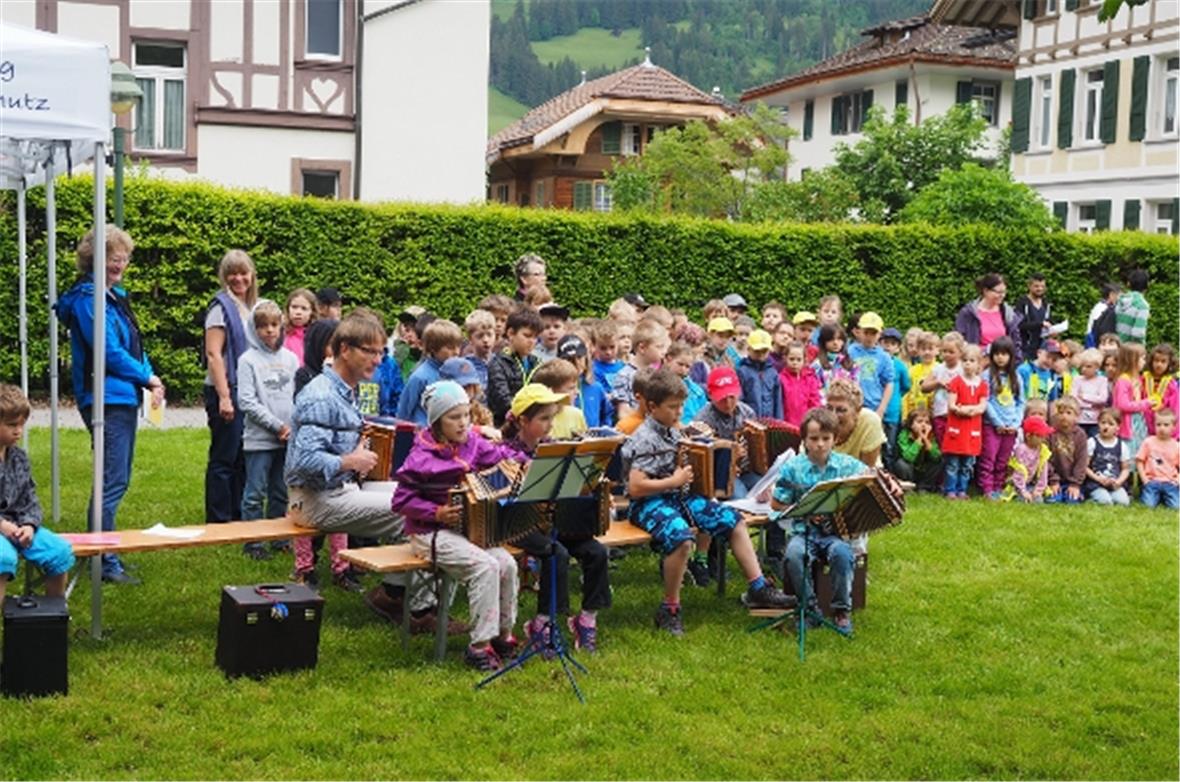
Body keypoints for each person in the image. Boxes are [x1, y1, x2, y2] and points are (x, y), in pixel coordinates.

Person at [285, 313, 440, 633]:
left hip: (341, 490)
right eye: (370, 351)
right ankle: (419, 610)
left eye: (381, 351)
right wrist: (350, 461)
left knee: (419, 496)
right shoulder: (321, 395)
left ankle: (393, 593)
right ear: (344, 349)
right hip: (312, 501)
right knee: (418, 512)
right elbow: (302, 463)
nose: (378, 359)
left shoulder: (345, 389)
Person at [622, 369, 794, 636]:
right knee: (681, 537)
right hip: (648, 503)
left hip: (679, 497)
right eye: (673, 407)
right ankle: (670, 608)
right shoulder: (645, 438)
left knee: (732, 520)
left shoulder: (674, 430)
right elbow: (634, 487)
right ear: (652, 407)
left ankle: (758, 588)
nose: (679, 412)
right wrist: (674, 480)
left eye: (681, 406)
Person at [56, 224, 164, 584]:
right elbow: (108, 353)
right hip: (104, 398)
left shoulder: (114, 297)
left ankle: (104, 554)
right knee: (111, 481)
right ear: (93, 258)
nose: (120, 263)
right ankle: (103, 560)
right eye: (113, 257)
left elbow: (134, 345)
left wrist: (152, 376)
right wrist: (145, 377)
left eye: (124, 257)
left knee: (115, 478)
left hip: (122, 395)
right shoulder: (89, 300)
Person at [390, 381, 522, 670]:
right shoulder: (421, 457)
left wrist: (528, 463)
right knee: (484, 567)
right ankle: (478, 647)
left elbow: (504, 457)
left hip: (469, 529)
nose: (463, 423)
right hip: (429, 532)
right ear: (437, 421)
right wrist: (436, 512)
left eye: (466, 415)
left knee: (507, 564)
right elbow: (400, 501)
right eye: (454, 417)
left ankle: (503, 636)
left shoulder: (473, 444)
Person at [500, 384, 611, 653]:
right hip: (517, 524)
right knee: (555, 553)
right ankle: (543, 623)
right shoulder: (505, 453)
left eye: (553, 417)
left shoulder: (555, 450)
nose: (551, 425)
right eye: (544, 418)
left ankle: (586, 619)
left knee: (596, 551)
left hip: (554, 522)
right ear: (523, 421)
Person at [771, 408, 871, 633]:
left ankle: (841, 610)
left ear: (835, 439)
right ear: (804, 440)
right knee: (793, 555)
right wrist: (802, 510)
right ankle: (810, 607)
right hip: (802, 531)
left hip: (835, 533)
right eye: (813, 439)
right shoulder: (792, 468)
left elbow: (871, 476)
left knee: (843, 555)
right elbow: (776, 504)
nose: (820, 445)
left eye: (826, 439)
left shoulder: (847, 465)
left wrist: (889, 482)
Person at [236, 300, 302, 562]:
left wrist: (292, 428)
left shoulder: (291, 358)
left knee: (280, 491)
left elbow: (298, 395)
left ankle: (279, 538)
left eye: (274, 325)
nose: (270, 331)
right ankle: (253, 541)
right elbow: (247, 401)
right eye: (263, 326)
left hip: (287, 439)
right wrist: (277, 426)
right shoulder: (247, 360)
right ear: (254, 329)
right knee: (254, 492)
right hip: (260, 439)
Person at [0, 385, 75, 606]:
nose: (18, 431)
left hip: (20, 528)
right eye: (11, 425)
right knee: (3, 559)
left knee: (59, 553)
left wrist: (29, 526)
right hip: (3, 529)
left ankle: (51, 620)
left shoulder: (19, 458)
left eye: (22, 425)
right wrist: (3, 526)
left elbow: (30, 500)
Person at [202, 249, 258, 523]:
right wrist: (224, 396)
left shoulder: (249, 308)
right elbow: (214, 354)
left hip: (243, 390)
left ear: (252, 275)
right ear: (224, 276)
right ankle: (218, 519)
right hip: (225, 388)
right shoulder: (220, 307)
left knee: (241, 456)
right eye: (232, 273)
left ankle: (236, 514)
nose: (238, 278)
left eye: (243, 272)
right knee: (224, 458)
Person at [693, 366, 758, 498]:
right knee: (740, 498)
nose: (728, 403)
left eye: (732, 397)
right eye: (722, 399)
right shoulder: (703, 420)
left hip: (746, 470)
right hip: (721, 477)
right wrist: (730, 457)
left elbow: (755, 448)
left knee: (769, 488)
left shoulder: (747, 412)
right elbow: (701, 464)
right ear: (710, 395)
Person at [978, 338, 1024, 500]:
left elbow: (1020, 402)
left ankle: (998, 486)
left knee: (1003, 459)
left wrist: (1016, 423)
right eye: (996, 353)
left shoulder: (1016, 377)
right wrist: (998, 422)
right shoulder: (986, 375)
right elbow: (987, 401)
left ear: (1011, 356)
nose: (1000, 357)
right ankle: (987, 489)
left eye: (1004, 354)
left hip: (1011, 427)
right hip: (992, 425)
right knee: (989, 456)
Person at [941, 344, 988, 499]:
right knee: (953, 463)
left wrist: (970, 409)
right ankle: (950, 490)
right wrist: (961, 410)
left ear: (979, 364)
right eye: (965, 360)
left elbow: (982, 405)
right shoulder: (956, 382)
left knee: (967, 464)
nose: (968, 363)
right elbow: (952, 404)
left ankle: (962, 490)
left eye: (972, 360)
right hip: (957, 427)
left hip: (972, 430)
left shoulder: (982, 385)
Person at [396, 318, 463, 426]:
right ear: (433, 348)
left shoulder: (457, 373)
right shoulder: (420, 377)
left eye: (458, 346)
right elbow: (404, 412)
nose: (456, 352)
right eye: (450, 347)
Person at [487, 308, 543, 425]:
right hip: (504, 427)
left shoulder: (537, 363)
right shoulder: (497, 364)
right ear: (511, 333)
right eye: (527, 336)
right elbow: (503, 402)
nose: (532, 341)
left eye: (535, 337)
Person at [954, 273, 1024, 362]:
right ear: (986, 291)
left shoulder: (1008, 313)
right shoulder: (968, 313)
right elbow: (958, 339)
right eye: (998, 292)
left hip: (1002, 365)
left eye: (1004, 292)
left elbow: (1016, 343)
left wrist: (1016, 363)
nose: (1002, 295)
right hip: (977, 363)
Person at [609, 320, 669, 421]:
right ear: (642, 348)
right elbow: (623, 412)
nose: (664, 351)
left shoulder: (657, 374)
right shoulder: (625, 376)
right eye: (659, 347)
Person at [827, 378, 887, 470]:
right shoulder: (819, 420)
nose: (833, 415)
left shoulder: (869, 421)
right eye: (829, 408)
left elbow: (865, 471)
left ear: (857, 411)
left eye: (841, 410)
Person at [556, 334, 612, 428]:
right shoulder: (556, 389)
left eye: (579, 357)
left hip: (593, 439)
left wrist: (604, 429)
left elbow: (607, 414)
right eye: (570, 360)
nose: (576, 363)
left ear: (586, 358)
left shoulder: (596, 387)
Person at [921, 331, 965, 447]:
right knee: (943, 445)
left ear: (960, 352)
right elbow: (924, 387)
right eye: (944, 351)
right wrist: (937, 383)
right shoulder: (938, 369)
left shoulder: (963, 369)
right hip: (940, 414)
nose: (947, 355)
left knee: (958, 446)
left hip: (959, 415)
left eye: (951, 352)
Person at [1045, 397, 1088, 504]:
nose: (1064, 416)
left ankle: (1076, 492)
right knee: (1053, 500)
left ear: (1076, 417)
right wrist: (1053, 480)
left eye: (1069, 413)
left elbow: (1081, 462)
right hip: (1054, 479)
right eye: (1061, 412)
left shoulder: (1080, 435)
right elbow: (1046, 459)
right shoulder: (1050, 433)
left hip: (1073, 480)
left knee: (1071, 501)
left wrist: (1075, 484)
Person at [529, 360, 588, 439]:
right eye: (571, 388)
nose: (577, 392)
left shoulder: (577, 414)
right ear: (551, 391)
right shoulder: (537, 418)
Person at [1112, 343, 1152, 458]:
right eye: (1142, 358)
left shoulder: (1138, 378)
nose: (1144, 362)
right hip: (1128, 423)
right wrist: (1146, 403)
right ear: (1133, 360)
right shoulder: (1123, 380)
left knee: (1140, 452)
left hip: (1138, 422)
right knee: (1129, 454)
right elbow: (1122, 405)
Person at [1084, 409, 1131, 506]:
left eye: (1111, 424)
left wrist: (1119, 482)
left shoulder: (1121, 445)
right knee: (1106, 502)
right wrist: (1098, 479)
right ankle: (1090, 498)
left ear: (1117, 427)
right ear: (1098, 424)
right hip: (1096, 483)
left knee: (1123, 502)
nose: (1106, 426)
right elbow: (1085, 466)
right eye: (1103, 423)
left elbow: (1125, 469)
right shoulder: (1092, 442)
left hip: (1114, 483)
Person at [735, 329, 783, 420]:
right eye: (757, 351)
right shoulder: (742, 371)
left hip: (769, 422)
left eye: (764, 351)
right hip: (749, 422)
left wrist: (779, 422)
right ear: (749, 350)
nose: (761, 354)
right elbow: (739, 401)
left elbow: (778, 402)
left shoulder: (773, 373)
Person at [1136, 408, 1179, 508]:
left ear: (1174, 427)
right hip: (1152, 481)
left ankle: (1164, 497)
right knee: (1148, 505)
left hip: (1170, 483)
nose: (1162, 428)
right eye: (1158, 424)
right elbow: (1139, 461)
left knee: (1176, 506)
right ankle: (1157, 496)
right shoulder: (1148, 442)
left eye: (1166, 425)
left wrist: (1177, 480)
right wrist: (1145, 479)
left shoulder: (1177, 446)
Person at [1005, 415, 1053, 503]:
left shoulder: (1042, 450)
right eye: (1039, 436)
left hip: (1031, 483)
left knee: (1038, 500)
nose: (1043, 439)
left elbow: (1043, 472)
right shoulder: (1021, 449)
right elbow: (1018, 473)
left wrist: (1038, 490)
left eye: (1043, 436)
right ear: (1028, 436)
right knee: (1023, 500)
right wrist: (1023, 491)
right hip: (1017, 484)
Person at [894, 408, 942, 492]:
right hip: (910, 470)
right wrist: (919, 439)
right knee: (901, 464)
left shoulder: (932, 436)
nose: (923, 425)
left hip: (923, 470)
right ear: (911, 424)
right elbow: (908, 457)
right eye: (919, 422)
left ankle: (924, 488)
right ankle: (909, 487)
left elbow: (936, 456)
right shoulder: (904, 435)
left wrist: (926, 439)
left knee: (938, 462)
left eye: (927, 422)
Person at [779, 341, 822, 429]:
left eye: (798, 359)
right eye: (791, 359)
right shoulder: (780, 379)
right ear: (785, 358)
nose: (795, 363)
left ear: (804, 360)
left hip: (806, 425)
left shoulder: (810, 379)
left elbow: (815, 402)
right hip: (786, 424)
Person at [663, 342, 708, 425]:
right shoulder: (658, 385)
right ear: (668, 360)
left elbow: (705, 413)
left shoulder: (696, 391)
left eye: (687, 367)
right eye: (680, 364)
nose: (683, 370)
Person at [1070, 348, 1110, 439]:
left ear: (1097, 367)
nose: (1084, 369)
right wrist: (1092, 404)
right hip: (1079, 419)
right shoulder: (1077, 379)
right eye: (1082, 366)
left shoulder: (1102, 380)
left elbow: (1103, 398)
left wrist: (1084, 396)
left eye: (1088, 366)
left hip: (1095, 421)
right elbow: (1073, 399)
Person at [810, 324, 858, 398]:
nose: (835, 343)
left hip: (847, 406)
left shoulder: (851, 365)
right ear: (824, 342)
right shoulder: (817, 366)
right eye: (831, 339)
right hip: (825, 406)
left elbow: (856, 389)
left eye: (839, 339)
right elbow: (815, 391)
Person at [1012, 273, 1052, 360]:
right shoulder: (1022, 303)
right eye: (1036, 286)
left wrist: (1053, 329)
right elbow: (1019, 325)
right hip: (1025, 348)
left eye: (1042, 286)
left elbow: (1049, 321)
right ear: (1029, 286)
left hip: (1043, 347)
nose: (1040, 289)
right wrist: (1040, 324)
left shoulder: (1046, 303)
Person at [902, 331, 939, 420]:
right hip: (914, 414)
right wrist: (904, 415)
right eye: (923, 349)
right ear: (918, 351)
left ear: (937, 350)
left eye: (930, 349)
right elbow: (906, 394)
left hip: (934, 414)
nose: (927, 352)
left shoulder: (940, 369)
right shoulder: (912, 370)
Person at [1143, 343, 1178, 435]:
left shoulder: (1171, 384)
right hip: (1143, 426)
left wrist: (1173, 432)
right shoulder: (1143, 379)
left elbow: (1174, 408)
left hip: (1163, 426)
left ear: (1169, 364)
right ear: (1151, 361)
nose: (1159, 364)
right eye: (1156, 360)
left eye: (1163, 361)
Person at [1019, 339, 1063, 404]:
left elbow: (1052, 401)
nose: (1050, 361)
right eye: (1048, 357)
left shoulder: (1052, 376)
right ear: (1039, 353)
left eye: (1054, 359)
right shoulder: (1024, 370)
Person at [462, 309, 497, 391]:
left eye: (489, 335)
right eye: (480, 336)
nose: (485, 340)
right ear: (470, 339)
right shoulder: (465, 365)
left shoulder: (500, 362)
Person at [1114, 268, 1150, 346]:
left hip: (1117, 346)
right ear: (1147, 285)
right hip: (1131, 350)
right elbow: (1138, 334)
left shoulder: (1120, 300)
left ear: (1128, 284)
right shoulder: (1142, 305)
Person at [282, 288, 317, 366]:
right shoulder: (281, 333)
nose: (298, 312)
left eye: (304, 309)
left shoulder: (315, 336)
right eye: (294, 307)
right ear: (288, 309)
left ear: (312, 312)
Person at [590, 320, 626, 393]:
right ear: (594, 346)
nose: (608, 352)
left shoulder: (623, 367)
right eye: (603, 348)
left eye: (612, 347)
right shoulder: (593, 369)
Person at [1085, 283, 1120, 348]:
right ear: (1111, 295)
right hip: (1094, 341)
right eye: (1118, 295)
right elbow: (1098, 329)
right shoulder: (1102, 308)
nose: (1119, 298)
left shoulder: (1101, 306)